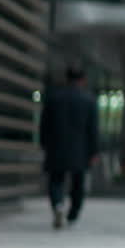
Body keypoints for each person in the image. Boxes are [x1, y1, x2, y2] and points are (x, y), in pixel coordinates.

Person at [39, 65, 99, 230]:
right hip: (80, 150)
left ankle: (58, 205)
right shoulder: (88, 100)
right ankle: (73, 213)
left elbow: (44, 125)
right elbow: (92, 129)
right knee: (78, 183)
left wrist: (44, 144)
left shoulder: (54, 98)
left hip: (56, 147)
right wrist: (94, 151)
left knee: (56, 179)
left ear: (67, 78)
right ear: (83, 80)